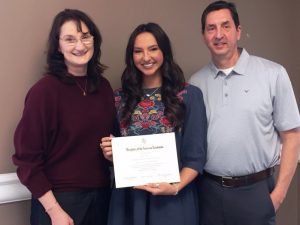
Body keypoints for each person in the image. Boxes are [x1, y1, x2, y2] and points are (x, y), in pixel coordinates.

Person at [189, 1, 300, 225]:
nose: (218, 34)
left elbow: (292, 136)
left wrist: (278, 195)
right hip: (209, 193)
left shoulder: (273, 74)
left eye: (225, 26)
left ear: (238, 31)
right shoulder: (195, 84)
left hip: (256, 192)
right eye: (211, 28)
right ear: (203, 36)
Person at [12, 9, 116, 225]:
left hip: (102, 198)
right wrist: (54, 211)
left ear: (94, 40)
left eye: (85, 36)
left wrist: (114, 151)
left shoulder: (103, 87)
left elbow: (109, 140)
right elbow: (26, 161)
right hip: (58, 202)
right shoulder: (44, 92)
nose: (80, 45)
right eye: (70, 39)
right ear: (57, 46)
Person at [100, 22, 207, 225]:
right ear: (131, 57)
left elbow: (196, 157)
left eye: (153, 49)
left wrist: (174, 187)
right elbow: (117, 152)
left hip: (173, 201)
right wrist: (111, 154)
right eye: (138, 51)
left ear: (164, 52)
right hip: (129, 202)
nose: (146, 57)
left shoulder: (189, 96)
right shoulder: (119, 99)